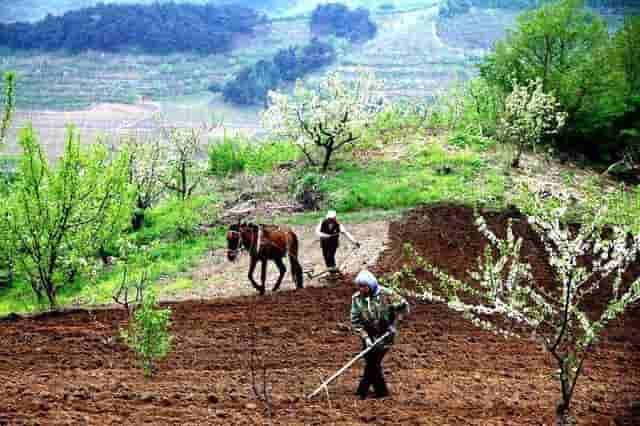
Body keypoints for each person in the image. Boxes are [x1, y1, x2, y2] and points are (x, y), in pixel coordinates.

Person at [350, 269, 409, 399]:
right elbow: (355, 321)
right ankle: (381, 392)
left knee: (373, 362)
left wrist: (394, 324)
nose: (361, 289)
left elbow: (404, 307)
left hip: (385, 334)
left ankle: (363, 392)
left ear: (371, 285)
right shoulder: (357, 299)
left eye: (364, 286)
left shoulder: (386, 294)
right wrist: (365, 338)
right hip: (368, 334)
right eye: (359, 286)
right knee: (371, 361)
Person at [315, 210, 360, 275]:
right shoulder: (322, 222)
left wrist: (355, 242)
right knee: (326, 257)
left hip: (333, 244)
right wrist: (325, 235)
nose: (330, 220)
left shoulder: (338, 225)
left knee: (330, 256)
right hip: (324, 243)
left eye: (332, 219)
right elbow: (317, 232)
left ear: (335, 218)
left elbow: (346, 233)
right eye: (329, 219)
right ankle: (331, 271)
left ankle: (333, 269)